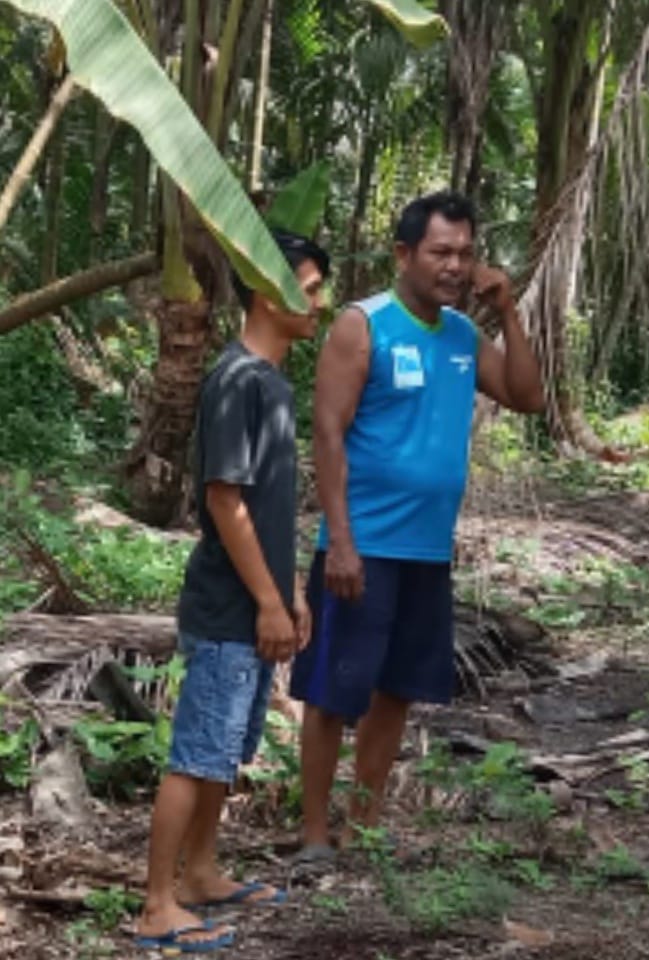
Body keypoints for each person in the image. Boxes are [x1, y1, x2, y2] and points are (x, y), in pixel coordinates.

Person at [289, 191, 544, 869]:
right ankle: (315, 832)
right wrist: (339, 540)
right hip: (362, 545)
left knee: (396, 690)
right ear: (404, 254)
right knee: (331, 692)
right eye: (440, 252)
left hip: (427, 551)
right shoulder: (362, 325)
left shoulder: (463, 335)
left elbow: (526, 395)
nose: (455, 266)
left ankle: (362, 825)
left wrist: (510, 311)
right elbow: (328, 432)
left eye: (465, 252)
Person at [135, 230, 330, 952]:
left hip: (259, 601)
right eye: (309, 287)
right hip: (228, 607)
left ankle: (201, 872)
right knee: (197, 751)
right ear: (265, 286)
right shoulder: (237, 379)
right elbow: (225, 501)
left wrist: (292, 593)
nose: (320, 302)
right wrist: (270, 603)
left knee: (223, 749)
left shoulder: (271, 380)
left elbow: (271, 507)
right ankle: (157, 905)